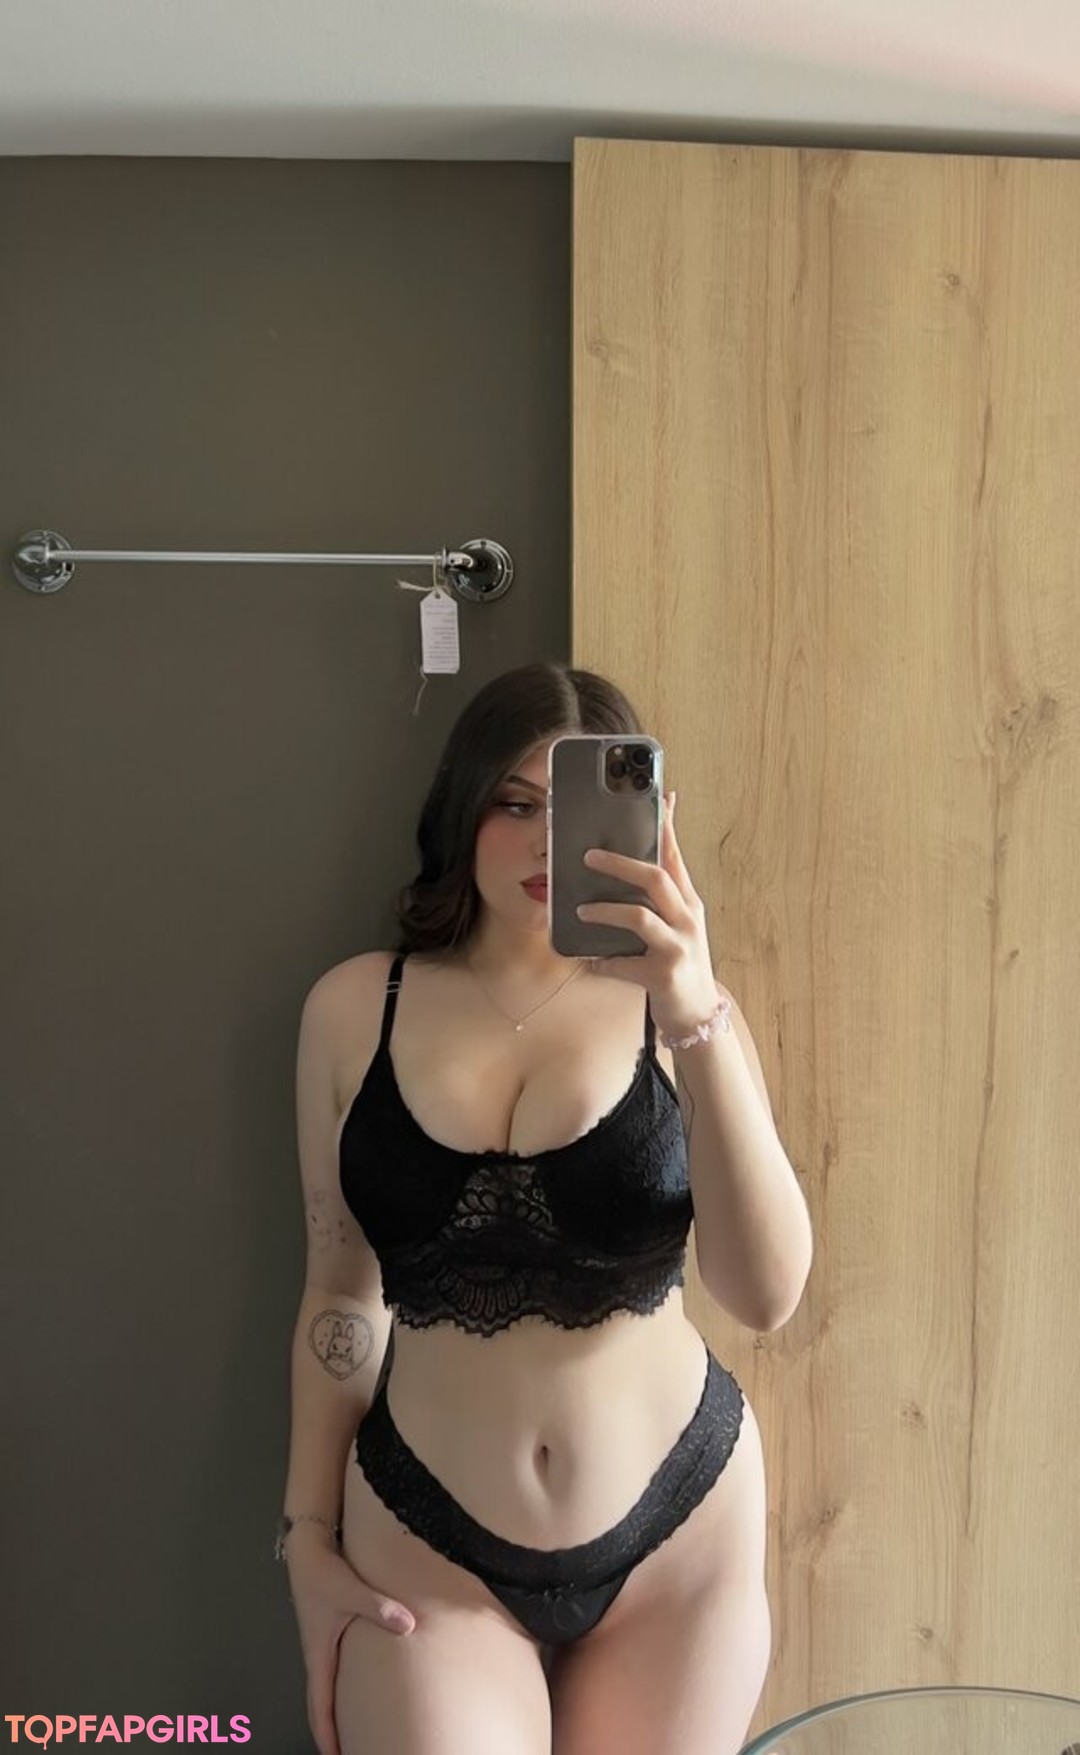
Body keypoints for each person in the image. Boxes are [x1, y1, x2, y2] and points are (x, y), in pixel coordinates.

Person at [280, 661, 813, 1755]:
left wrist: (695, 1010)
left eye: (575, 810)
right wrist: (306, 1537)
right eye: (515, 804)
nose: (542, 842)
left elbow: (764, 1295)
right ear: (462, 807)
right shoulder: (355, 1007)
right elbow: (339, 1291)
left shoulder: (681, 1012)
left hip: (677, 1540)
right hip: (426, 1541)